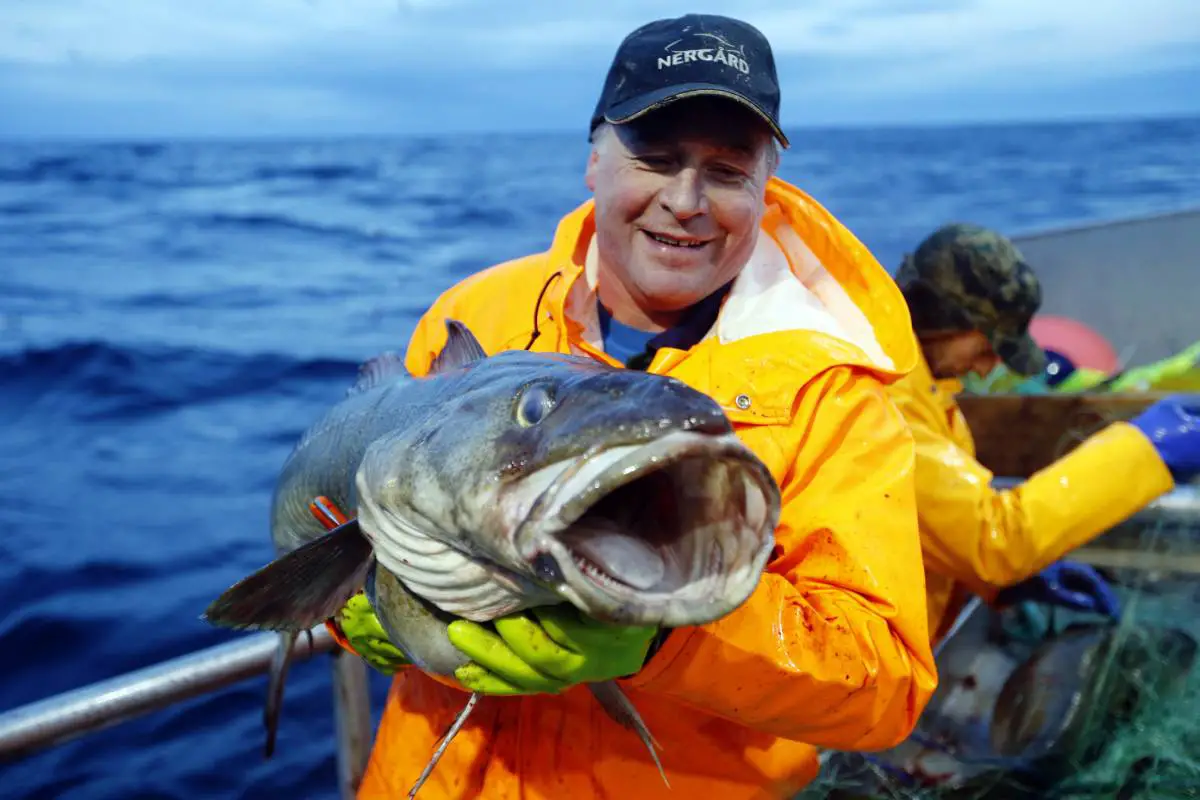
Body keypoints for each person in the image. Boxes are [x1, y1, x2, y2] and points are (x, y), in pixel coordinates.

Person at [325, 13, 940, 800]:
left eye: (726, 170)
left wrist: (666, 640)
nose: (685, 201)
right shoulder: (474, 314)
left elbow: (883, 682)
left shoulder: (836, 391)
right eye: (654, 159)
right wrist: (356, 613)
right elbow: (358, 511)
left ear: (767, 180)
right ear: (594, 159)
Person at [888, 222, 1200, 646]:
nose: (986, 369)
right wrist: (1146, 450)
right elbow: (994, 540)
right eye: (984, 349)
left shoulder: (925, 385)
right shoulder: (886, 401)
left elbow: (928, 524)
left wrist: (995, 585)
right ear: (937, 318)